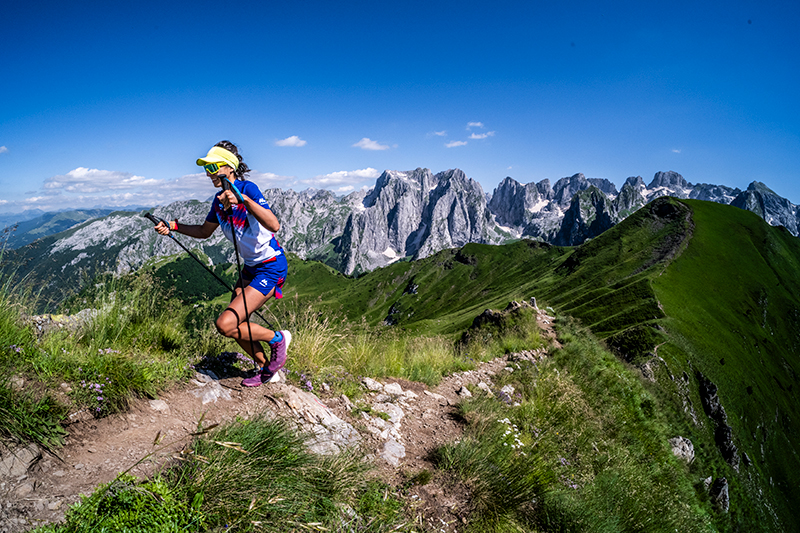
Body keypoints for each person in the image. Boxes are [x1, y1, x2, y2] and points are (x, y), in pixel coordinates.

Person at [154, 140, 290, 387]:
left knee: (225, 324)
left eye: (213, 167)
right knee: (236, 323)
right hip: (251, 268)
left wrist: (243, 200)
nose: (208, 173)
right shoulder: (218, 201)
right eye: (206, 168)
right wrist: (172, 227)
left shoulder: (249, 188)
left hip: (271, 266)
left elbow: (274, 225)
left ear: (230, 167)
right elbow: (205, 231)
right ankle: (267, 370)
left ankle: (278, 339)